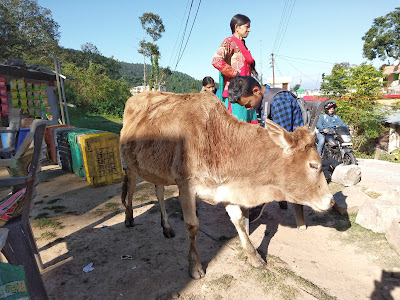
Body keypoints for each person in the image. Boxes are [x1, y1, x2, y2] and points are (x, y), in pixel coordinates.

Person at [228, 75, 304, 222]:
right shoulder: (263, 101)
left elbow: (284, 141)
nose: (248, 108)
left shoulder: (278, 101)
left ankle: (258, 201)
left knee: (253, 167)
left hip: (295, 150)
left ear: (256, 91)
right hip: (282, 147)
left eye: (248, 104)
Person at [211, 14, 258, 124]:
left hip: (247, 94)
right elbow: (216, 60)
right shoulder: (229, 42)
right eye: (247, 27)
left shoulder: (243, 45)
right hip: (236, 94)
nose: (249, 30)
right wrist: (234, 73)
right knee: (237, 131)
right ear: (237, 27)